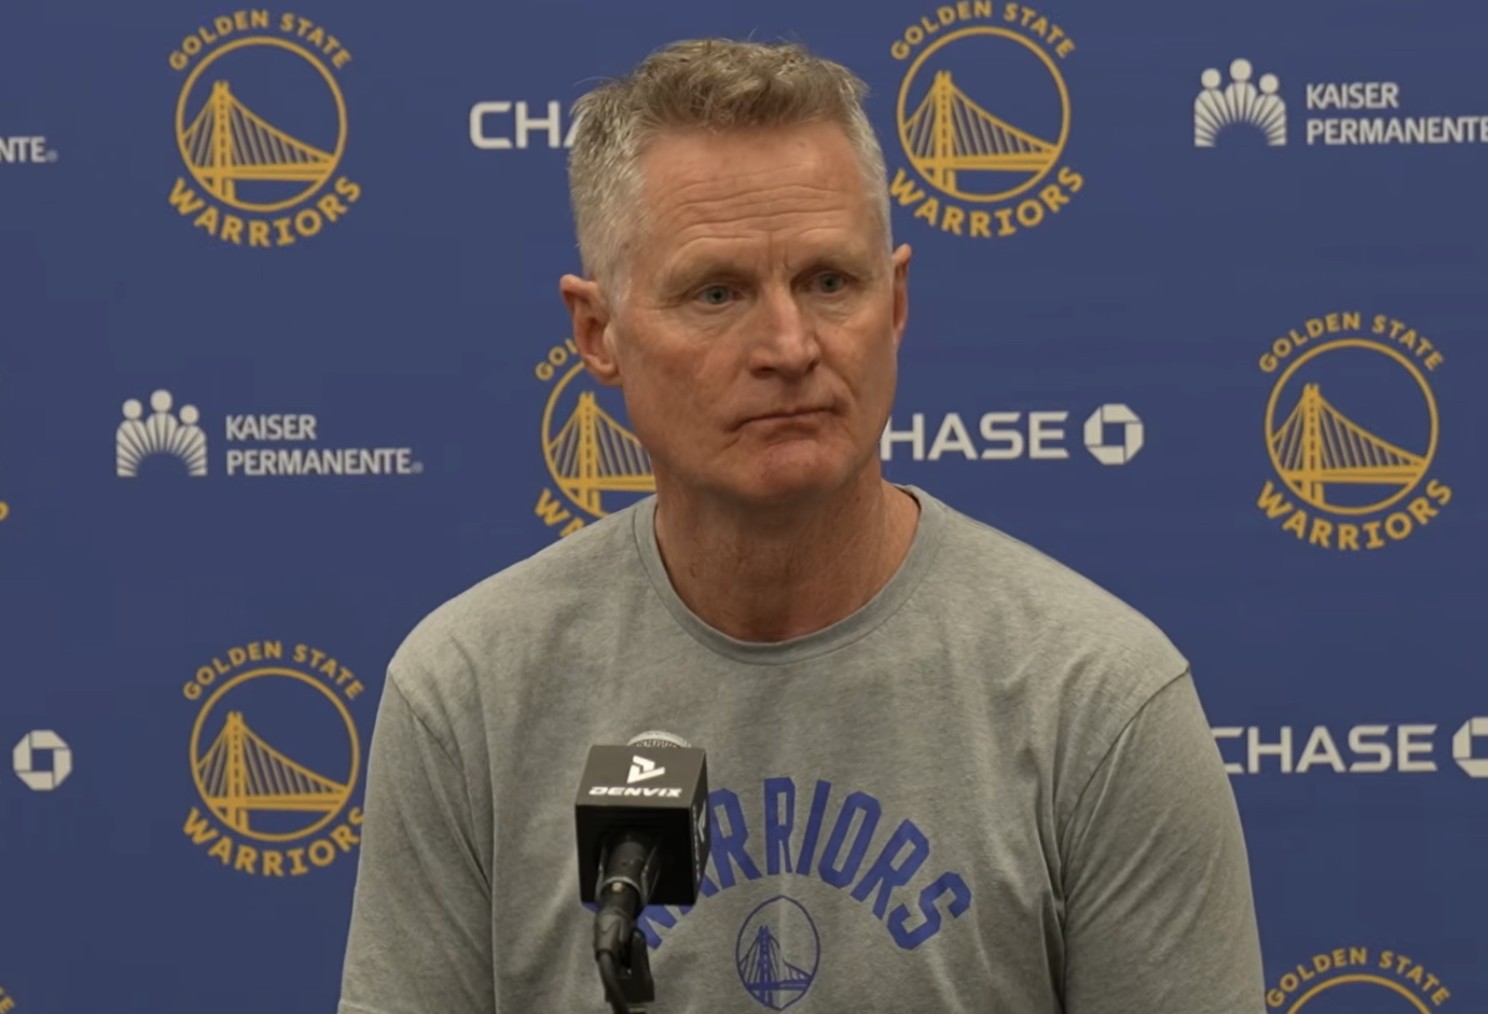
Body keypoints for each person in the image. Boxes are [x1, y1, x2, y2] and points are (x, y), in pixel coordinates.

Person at [337, 38, 1265, 1014]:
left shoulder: (1098, 700)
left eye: (829, 282)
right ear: (598, 334)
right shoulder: (469, 696)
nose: (788, 346)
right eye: (718, 293)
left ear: (894, 304)